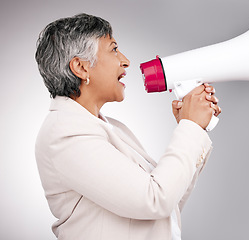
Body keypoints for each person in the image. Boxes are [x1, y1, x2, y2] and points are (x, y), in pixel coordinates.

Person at [35, 13, 221, 240]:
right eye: (113, 49)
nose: (125, 61)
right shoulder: (63, 134)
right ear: (81, 68)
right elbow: (155, 201)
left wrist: (193, 127)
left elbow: (166, 209)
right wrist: (189, 127)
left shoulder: (111, 128)